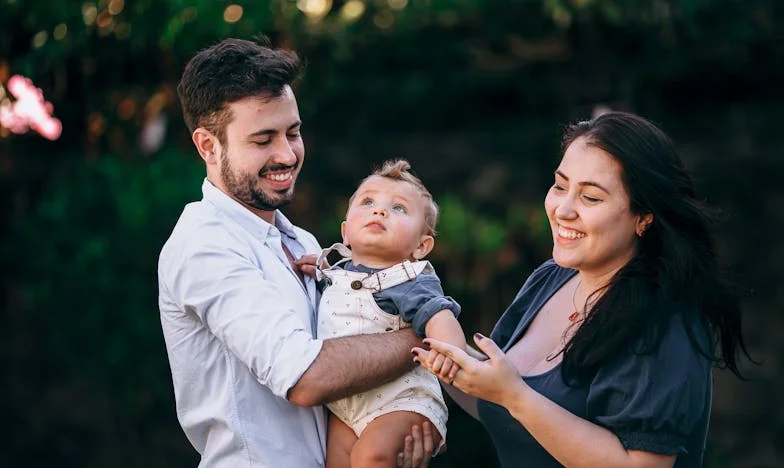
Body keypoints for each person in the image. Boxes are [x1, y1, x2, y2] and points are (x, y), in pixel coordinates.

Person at [412, 111, 751, 467]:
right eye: (560, 186)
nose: (563, 209)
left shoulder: (665, 318)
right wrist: (419, 325)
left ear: (644, 216)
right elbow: (495, 398)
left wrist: (516, 396)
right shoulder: (552, 277)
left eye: (590, 198)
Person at [158, 38, 430, 467]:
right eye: (263, 139)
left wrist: (392, 424)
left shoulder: (303, 244)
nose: (287, 154)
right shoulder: (204, 245)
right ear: (208, 146)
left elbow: (349, 358)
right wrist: (428, 336)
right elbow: (306, 377)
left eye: (293, 132)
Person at [315, 159, 465, 467]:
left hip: (402, 401)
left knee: (372, 458)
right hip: (345, 406)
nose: (379, 210)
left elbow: (439, 315)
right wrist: (312, 270)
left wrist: (450, 354)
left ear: (421, 246)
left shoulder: (408, 278)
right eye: (367, 201)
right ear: (345, 233)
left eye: (399, 208)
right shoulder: (334, 274)